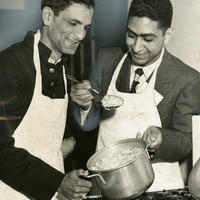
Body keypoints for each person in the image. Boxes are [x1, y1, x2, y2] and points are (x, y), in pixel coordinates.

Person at [71, 0, 200, 192]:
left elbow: (186, 140)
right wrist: (84, 106)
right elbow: (88, 123)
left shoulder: (185, 78)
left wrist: (161, 138)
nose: (137, 47)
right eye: (131, 35)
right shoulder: (106, 60)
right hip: (108, 185)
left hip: (159, 186)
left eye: (147, 39)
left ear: (167, 35)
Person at [0, 0, 94, 199]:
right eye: (73, 23)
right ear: (48, 16)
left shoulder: (64, 69)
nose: (81, 36)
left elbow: (58, 134)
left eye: (86, 27)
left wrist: (83, 112)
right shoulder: (10, 65)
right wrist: (57, 182)